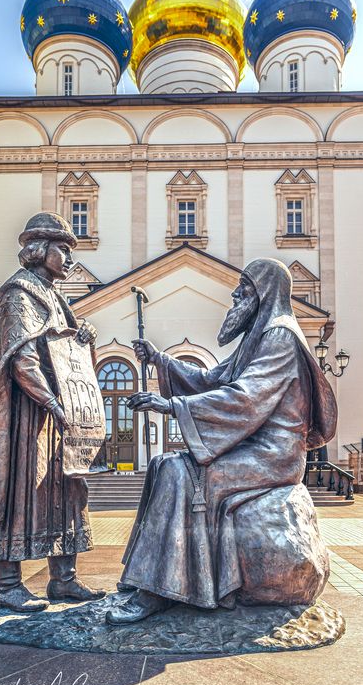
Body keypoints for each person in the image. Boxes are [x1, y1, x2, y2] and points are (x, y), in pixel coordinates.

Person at [106, 258, 337, 625]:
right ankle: (152, 579)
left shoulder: (279, 335)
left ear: (262, 294)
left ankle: (157, 591)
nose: (234, 295)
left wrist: (171, 405)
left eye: (242, 289)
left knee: (179, 474)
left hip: (272, 455)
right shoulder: (258, 335)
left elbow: (245, 398)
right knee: (164, 465)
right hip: (250, 447)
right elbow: (216, 378)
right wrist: (161, 360)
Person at [0, 213, 105, 613]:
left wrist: (82, 337)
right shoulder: (18, 293)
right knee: (16, 495)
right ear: (39, 249)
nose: (69, 258)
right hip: (24, 421)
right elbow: (22, 358)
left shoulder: (56, 298)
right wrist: (52, 402)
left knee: (66, 494)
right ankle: (6, 585)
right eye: (63, 249)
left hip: (55, 424)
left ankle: (64, 580)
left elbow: (66, 354)